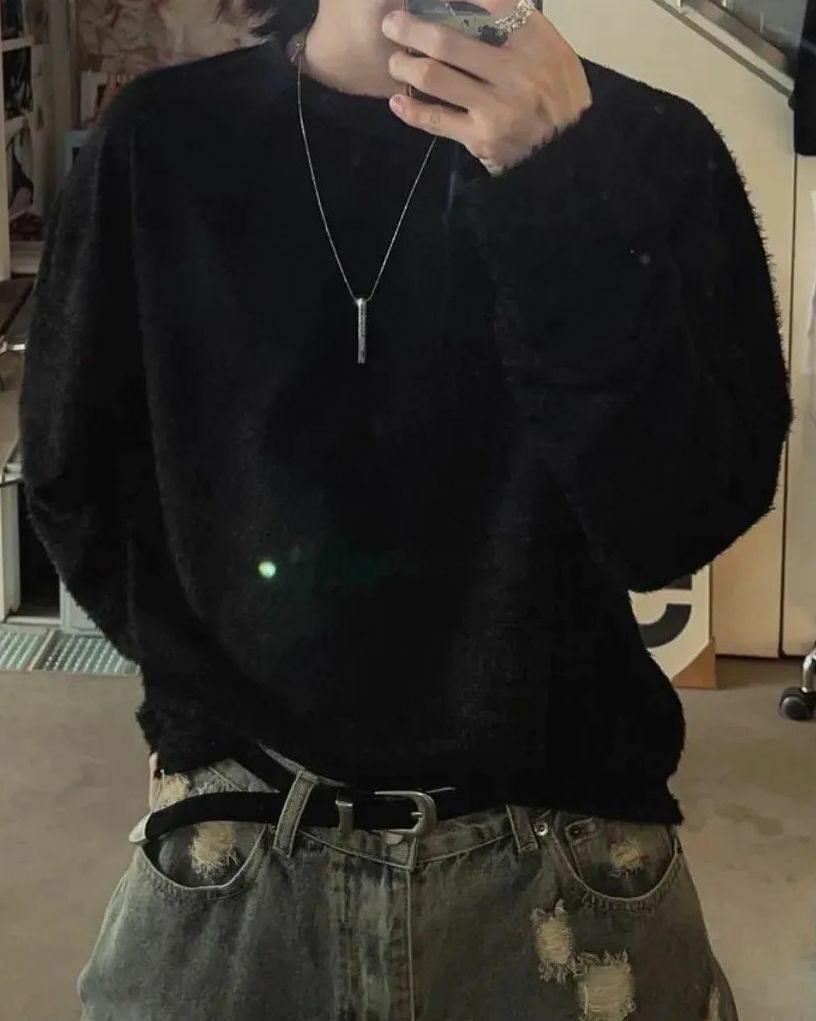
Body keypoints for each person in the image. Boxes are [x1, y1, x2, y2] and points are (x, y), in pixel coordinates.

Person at [20, 0, 791, 1018]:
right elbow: (73, 474)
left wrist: (558, 184)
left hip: (567, 866)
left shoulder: (653, 149)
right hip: (238, 840)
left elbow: (680, 521)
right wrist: (207, 702)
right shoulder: (160, 140)